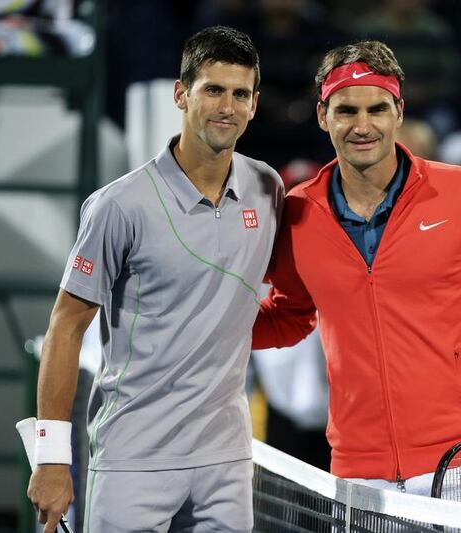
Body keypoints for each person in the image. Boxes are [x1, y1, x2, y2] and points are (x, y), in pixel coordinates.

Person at [253, 40, 461, 510]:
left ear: (399, 111)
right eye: (346, 110)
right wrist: (212, 326)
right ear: (321, 115)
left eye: (376, 108)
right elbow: (292, 315)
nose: (362, 125)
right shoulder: (297, 213)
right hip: (358, 476)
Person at [27, 26, 283, 533]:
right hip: (133, 456)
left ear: (255, 104)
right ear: (181, 93)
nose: (226, 107)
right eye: (213, 90)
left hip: (226, 461)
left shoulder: (267, 188)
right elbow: (65, 328)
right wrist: (51, 458)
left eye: (240, 94)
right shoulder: (118, 206)